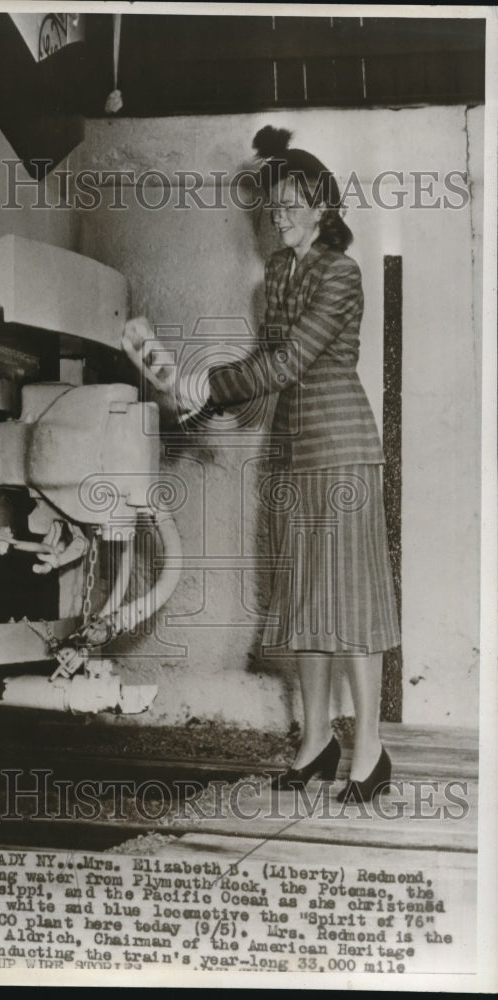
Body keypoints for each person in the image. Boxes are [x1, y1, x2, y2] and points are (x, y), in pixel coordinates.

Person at [122, 126, 401, 804]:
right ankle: (315, 740)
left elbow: (289, 361)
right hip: (291, 449)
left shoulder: (340, 273)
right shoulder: (275, 277)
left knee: (350, 603)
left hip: (340, 448)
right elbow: (263, 378)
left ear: (322, 208)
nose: (277, 216)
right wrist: (196, 403)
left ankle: (369, 750)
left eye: (290, 204)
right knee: (306, 600)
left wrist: (208, 383)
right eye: (272, 206)